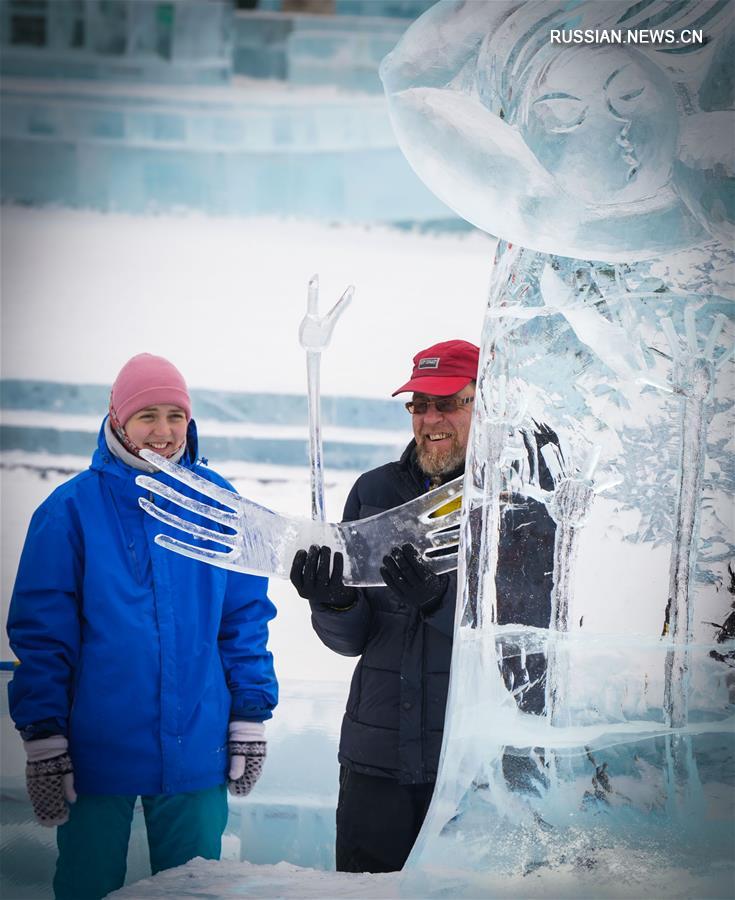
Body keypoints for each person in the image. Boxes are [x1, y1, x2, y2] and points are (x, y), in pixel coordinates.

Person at [6, 353, 278, 900]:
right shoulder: (70, 511)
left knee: (196, 889)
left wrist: (249, 715)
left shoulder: (220, 503)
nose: (163, 430)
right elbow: (42, 635)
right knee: (87, 886)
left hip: (197, 746)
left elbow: (244, 619)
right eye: (147, 415)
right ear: (117, 418)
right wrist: (45, 739)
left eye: (175, 415)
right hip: (94, 752)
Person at [290, 338, 557, 873]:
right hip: (375, 758)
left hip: (471, 769)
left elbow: (528, 642)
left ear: (487, 405)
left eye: (449, 403)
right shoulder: (374, 491)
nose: (430, 418)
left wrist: (440, 603)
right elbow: (352, 643)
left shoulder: (521, 502)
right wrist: (335, 602)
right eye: (419, 404)